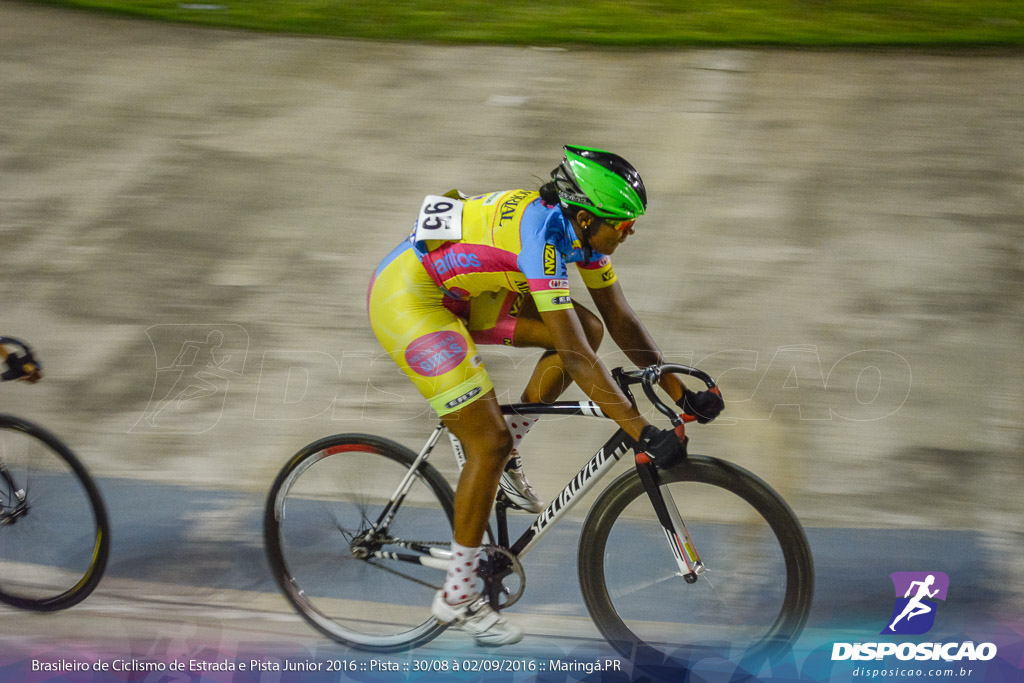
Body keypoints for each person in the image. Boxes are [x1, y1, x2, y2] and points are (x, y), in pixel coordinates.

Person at [366, 145, 724, 645]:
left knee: (590, 328)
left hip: (467, 291)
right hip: (411, 300)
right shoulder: (543, 241)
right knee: (486, 441)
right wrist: (641, 429)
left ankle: (506, 450)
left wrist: (678, 392)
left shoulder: (581, 231)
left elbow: (620, 321)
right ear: (585, 216)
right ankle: (457, 597)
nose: (630, 231)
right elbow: (575, 360)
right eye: (622, 224)